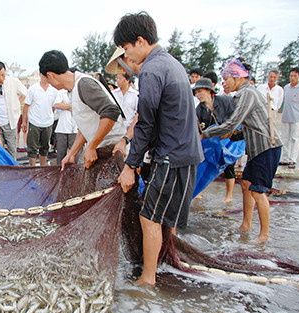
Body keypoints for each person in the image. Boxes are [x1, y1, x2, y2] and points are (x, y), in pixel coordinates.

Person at [114, 12, 204, 286]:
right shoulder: (171, 63)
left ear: (140, 41)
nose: (127, 55)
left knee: (149, 216)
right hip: (186, 154)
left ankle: (148, 278)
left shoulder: (152, 69)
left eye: (126, 48)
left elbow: (146, 123)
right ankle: (167, 262)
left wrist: (130, 166)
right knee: (166, 216)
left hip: (171, 156)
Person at [202, 58, 282, 241]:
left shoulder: (247, 94)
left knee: (258, 190)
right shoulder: (244, 93)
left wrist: (205, 134)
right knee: (246, 184)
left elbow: (232, 124)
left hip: (267, 147)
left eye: (226, 79)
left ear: (237, 77)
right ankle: (246, 224)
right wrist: (231, 135)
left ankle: (264, 234)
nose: (224, 83)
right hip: (257, 149)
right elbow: (243, 128)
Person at [38, 50, 126, 170]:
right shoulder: (72, 91)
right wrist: (71, 154)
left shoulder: (84, 84)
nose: (49, 84)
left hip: (112, 149)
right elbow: (85, 127)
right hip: (100, 148)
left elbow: (111, 112)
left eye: (47, 80)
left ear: (50, 75)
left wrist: (92, 147)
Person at [193, 77, 237, 202]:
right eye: (196, 92)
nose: (198, 95)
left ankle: (229, 195)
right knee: (206, 163)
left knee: (229, 166)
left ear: (208, 90)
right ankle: (200, 191)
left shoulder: (225, 100)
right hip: (213, 140)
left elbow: (237, 115)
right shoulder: (199, 110)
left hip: (230, 138)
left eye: (200, 91)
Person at [0, 61, 28, 160]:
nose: (1, 78)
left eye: (2, 75)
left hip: (10, 122)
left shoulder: (14, 82)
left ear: (5, 71)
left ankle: (13, 170)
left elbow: (26, 93)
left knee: (12, 150)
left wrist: (17, 102)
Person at [22, 74, 58, 166]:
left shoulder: (53, 91)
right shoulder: (33, 89)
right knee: (32, 148)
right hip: (34, 122)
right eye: (43, 74)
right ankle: (32, 168)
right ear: (40, 75)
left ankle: (42, 168)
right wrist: (24, 122)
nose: (44, 77)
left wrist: (49, 116)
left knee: (45, 147)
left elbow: (53, 107)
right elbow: (26, 105)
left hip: (48, 123)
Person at [279, 67, 299, 169]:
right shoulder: (286, 87)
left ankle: (292, 159)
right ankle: (284, 158)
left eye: (295, 76)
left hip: (297, 117)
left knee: (295, 139)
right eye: (291, 75)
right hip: (286, 116)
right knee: (285, 138)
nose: (292, 78)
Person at [53, 89, 78, 165]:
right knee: (60, 154)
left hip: (75, 129)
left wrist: (64, 106)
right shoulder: (61, 92)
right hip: (62, 128)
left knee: (75, 155)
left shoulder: (78, 91)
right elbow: (57, 105)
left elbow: (80, 107)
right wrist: (70, 106)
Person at [257, 70, 284, 139]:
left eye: (274, 77)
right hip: (261, 111)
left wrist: (273, 109)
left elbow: (279, 103)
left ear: (277, 78)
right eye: (271, 77)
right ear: (268, 77)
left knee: (272, 130)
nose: (272, 79)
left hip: (272, 112)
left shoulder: (279, 90)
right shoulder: (261, 88)